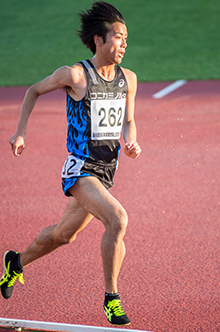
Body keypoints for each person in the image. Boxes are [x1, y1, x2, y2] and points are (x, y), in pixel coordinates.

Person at [0, 1, 141, 326]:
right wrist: (20, 132)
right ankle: (111, 298)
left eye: (126, 39)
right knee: (118, 221)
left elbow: (129, 121)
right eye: (117, 38)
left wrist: (131, 140)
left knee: (64, 236)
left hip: (106, 172)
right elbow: (34, 91)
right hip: (80, 169)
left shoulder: (128, 79)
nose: (123, 45)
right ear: (99, 40)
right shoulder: (75, 75)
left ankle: (14, 264)